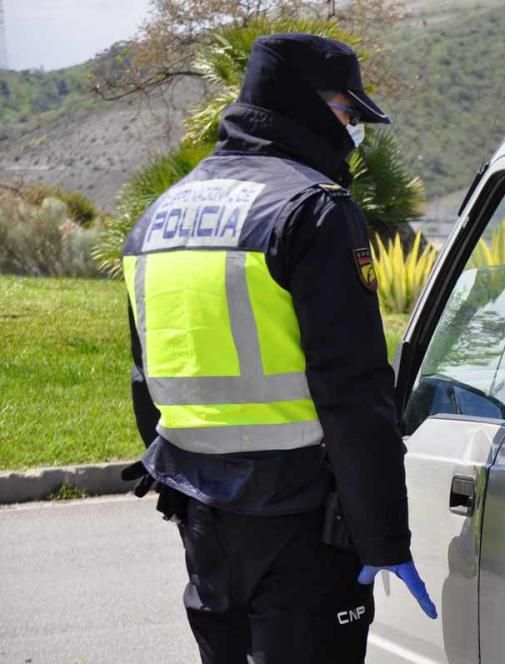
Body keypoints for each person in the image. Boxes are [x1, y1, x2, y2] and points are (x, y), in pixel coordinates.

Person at [119, 33, 436, 663]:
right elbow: (352, 390)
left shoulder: (157, 217)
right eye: (349, 114)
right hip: (302, 523)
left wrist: (180, 487)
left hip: (203, 519)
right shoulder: (312, 209)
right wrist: (383, 539)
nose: (353, 132)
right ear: (309, 107)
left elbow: (144, 378)